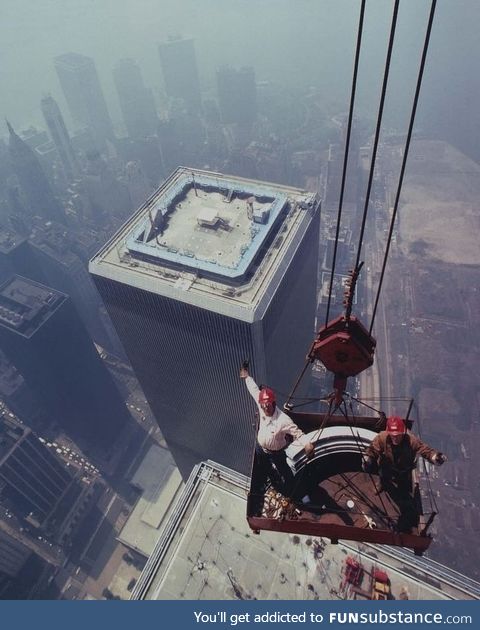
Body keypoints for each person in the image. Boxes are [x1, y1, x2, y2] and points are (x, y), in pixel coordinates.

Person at [240, 365, 314, 506]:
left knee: (286, 473)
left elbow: (297, 432)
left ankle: (299, 495)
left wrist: (307, 444)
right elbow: (254, 390)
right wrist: (246, 377)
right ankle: (271, 480)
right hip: (261, 449)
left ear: (273, 403)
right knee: (263, 468)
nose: (266, 407)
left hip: (276, 453)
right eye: (264, 405)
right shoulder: (261, 405)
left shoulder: (283, 420)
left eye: (268, 404)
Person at [362, 415, 446, 531]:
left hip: (403, 469)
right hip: (387, 466)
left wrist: (435, 457)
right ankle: (382, 485)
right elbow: (372, 450)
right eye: (393, 435)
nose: (395, 438)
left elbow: (424, 450)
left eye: (398, 435)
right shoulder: (382, 437)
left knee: (402, 488)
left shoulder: (411, 440)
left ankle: (402, 503)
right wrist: (368, 459)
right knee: (383, 478)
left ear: (402, 432)